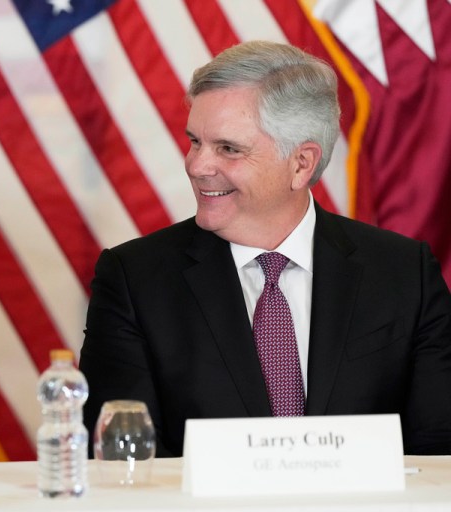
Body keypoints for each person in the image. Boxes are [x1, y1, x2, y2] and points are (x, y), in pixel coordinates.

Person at [80, 41, 451, 457]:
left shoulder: (405, 274)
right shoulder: (133, 279)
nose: (197, 165)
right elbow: (123, 459)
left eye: (228, 148)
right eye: (195, 142)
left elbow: (438, 454)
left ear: (301, 164)